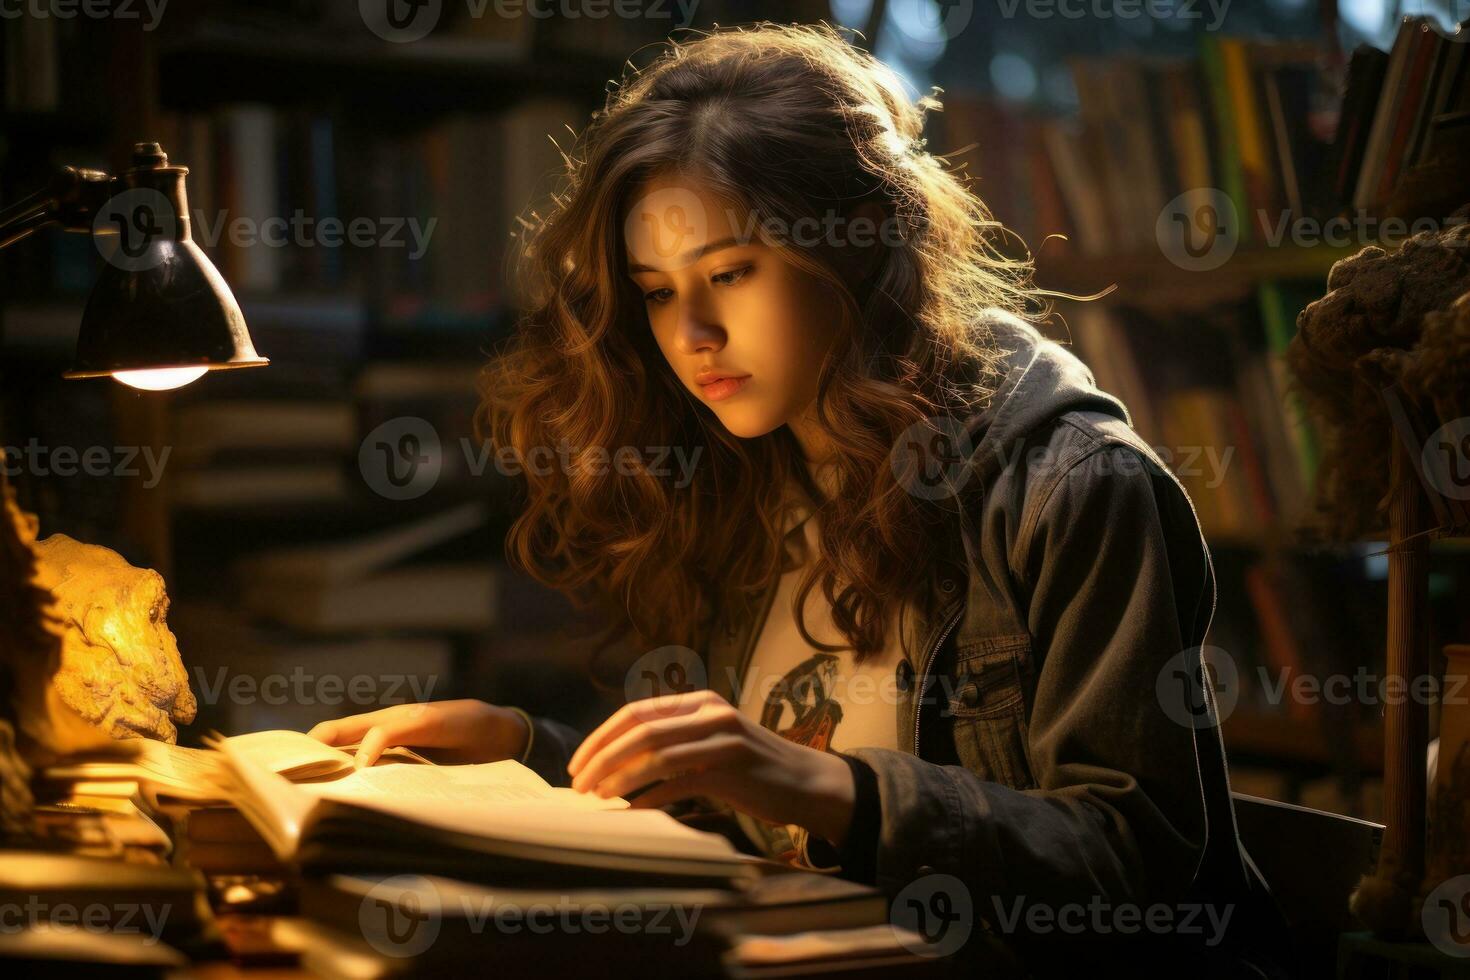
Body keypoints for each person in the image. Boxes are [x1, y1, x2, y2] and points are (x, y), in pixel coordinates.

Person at [310, 23, 1287, 974]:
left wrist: (830, 787)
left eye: (730, 272)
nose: (691, 331)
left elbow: (1139, 868)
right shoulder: (751, 472)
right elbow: (740, 806)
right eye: (655, 290)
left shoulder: (1074, 487)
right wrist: (526, 749)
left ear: (861, 240)